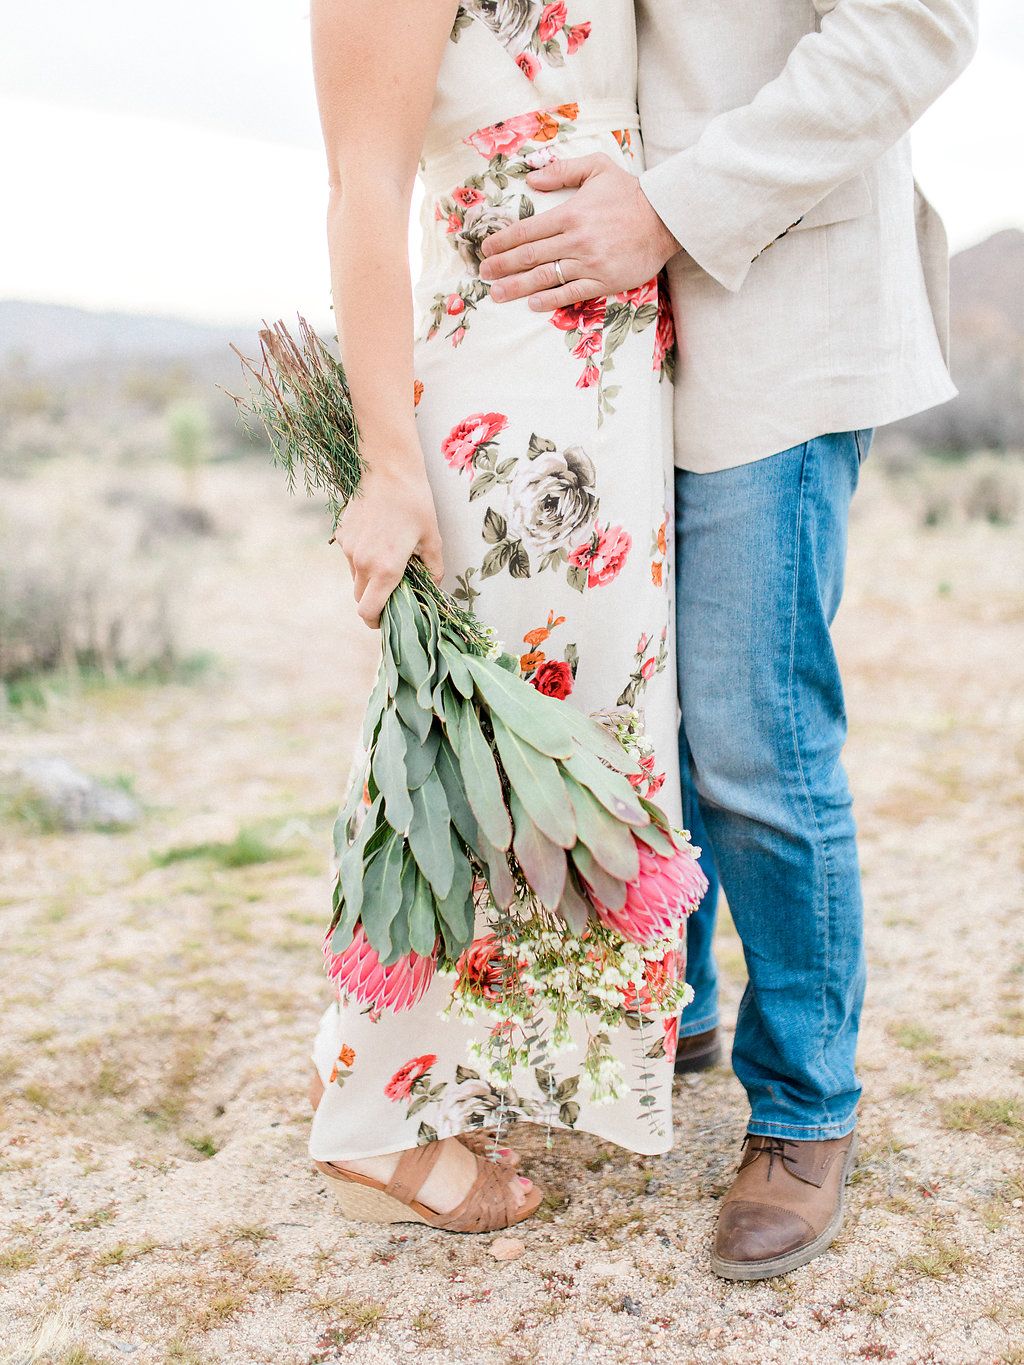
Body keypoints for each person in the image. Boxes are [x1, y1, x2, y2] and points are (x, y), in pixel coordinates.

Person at [477, 0, 978, 1277]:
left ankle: (805, 1111)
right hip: (593, 345)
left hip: (776, 303)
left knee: (752, 733)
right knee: (640, 709)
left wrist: (669, 208)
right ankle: (675, 1005)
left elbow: (913, 27)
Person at [305, 0, 688, 1235]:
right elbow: (362, 183)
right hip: (507, 411)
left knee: (572, 749)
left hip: (613, 406)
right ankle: (374, 1126)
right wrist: (387, 463)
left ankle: (470, 1079)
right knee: (464, 747)